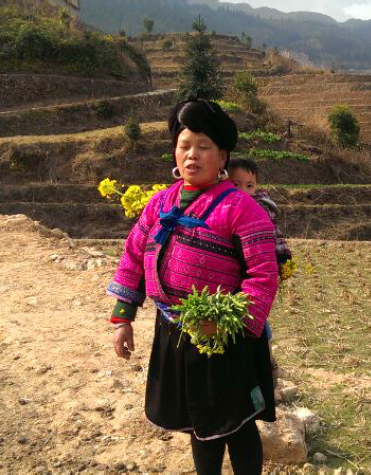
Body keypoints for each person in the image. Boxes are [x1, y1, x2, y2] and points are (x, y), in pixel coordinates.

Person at [107, 98, 279, 475]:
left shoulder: (240, 208)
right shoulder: (160, 203)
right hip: (174, 331)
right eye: (184, 146)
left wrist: (226, 324)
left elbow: (264, 274)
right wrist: (123, 317)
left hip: (224, 337)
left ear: (222, 158)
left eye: (204, 147)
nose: (192, 155)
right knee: (199, 423)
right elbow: (134, 255)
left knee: (236, 422)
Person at [228, 157, 292, 386]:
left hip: (253, 276)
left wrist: (281, 258)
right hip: (231, 276)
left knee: (256, 319)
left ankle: (269, 365)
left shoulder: (261, 208)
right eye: (236, 185)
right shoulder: (221, 206)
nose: (244, 191)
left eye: (250, 185)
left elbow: (275, 236)